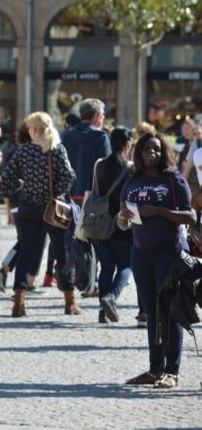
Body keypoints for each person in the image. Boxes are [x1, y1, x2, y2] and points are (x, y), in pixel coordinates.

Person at [118, 132, 195, 389]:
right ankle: (154, 369)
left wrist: (159, 211)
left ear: (164, 153)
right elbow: (122, 219)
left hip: (168, 253)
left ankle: (172, 372)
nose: (151, 154)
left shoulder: (173, 180)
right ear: (138, 153)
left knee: (170, 312)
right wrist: (123, 217)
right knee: (152, 313)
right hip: (140, 253)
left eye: (157, 150)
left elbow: (191, 216)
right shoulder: (132, 180)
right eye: (146, 150)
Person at [1, 112, 78, 317]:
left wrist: (22, 188)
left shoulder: (23, 151)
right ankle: (70, 302)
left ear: (34, 130)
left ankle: (19, 302)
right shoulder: (57, 149)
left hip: (28, 207)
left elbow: (7, 179)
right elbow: (69, 176)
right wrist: (55, 193)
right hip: (52, 208)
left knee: (27, 252)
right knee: (62, 252)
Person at [0, 121, 46, 293]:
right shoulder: (33, 153)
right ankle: (27, 281)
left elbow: (5, 180)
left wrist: (9, 208)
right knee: (35, 242)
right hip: (30, 204)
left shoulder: (13, 153)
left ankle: (6, 269)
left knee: (24, 241)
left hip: (17, 204)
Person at [91, 127, 134, 323]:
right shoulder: (131, 168)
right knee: (126, 265)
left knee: (106, 268)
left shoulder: (99, 165)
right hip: (121, 222)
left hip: (100, 223)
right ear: (128, 144)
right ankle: (111, 297)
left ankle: (103, 312)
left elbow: (94, 191)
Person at [62, 98, 111, 202]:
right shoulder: (101, 137)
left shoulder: (68, 136)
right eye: (102, 115)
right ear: (96, 115)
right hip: (93, 196)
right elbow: (106, 168)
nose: (103, 118)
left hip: (69, 195)